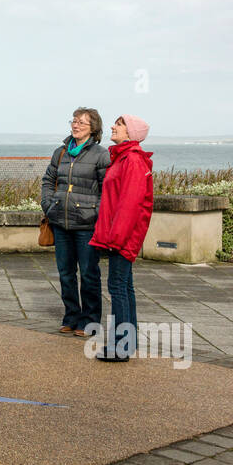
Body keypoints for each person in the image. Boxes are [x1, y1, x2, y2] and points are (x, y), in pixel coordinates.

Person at [88, 114, 154, 361]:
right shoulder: (124, 157)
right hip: (119, 234)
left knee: (118, 287)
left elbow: (130, 204)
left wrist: (114, 239)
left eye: (120, 124)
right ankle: (127, 344)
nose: (113, 127)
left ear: (131, 132)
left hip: (122, 236)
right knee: (125, 287)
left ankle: (120, 347)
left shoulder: (133, 161)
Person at [41, 108, 111, 337]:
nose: (76, 125)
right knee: (65, 273)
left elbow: (106, 190)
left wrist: (95, 213)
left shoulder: (101, 154)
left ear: (93, 128)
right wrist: (49, 205)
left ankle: (90, 322)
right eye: (74, 121)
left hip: (87, 225)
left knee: (89, 274)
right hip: (60, 222)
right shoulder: (60, 152)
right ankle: (71, 316)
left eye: (82, 122)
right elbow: (48, 180)